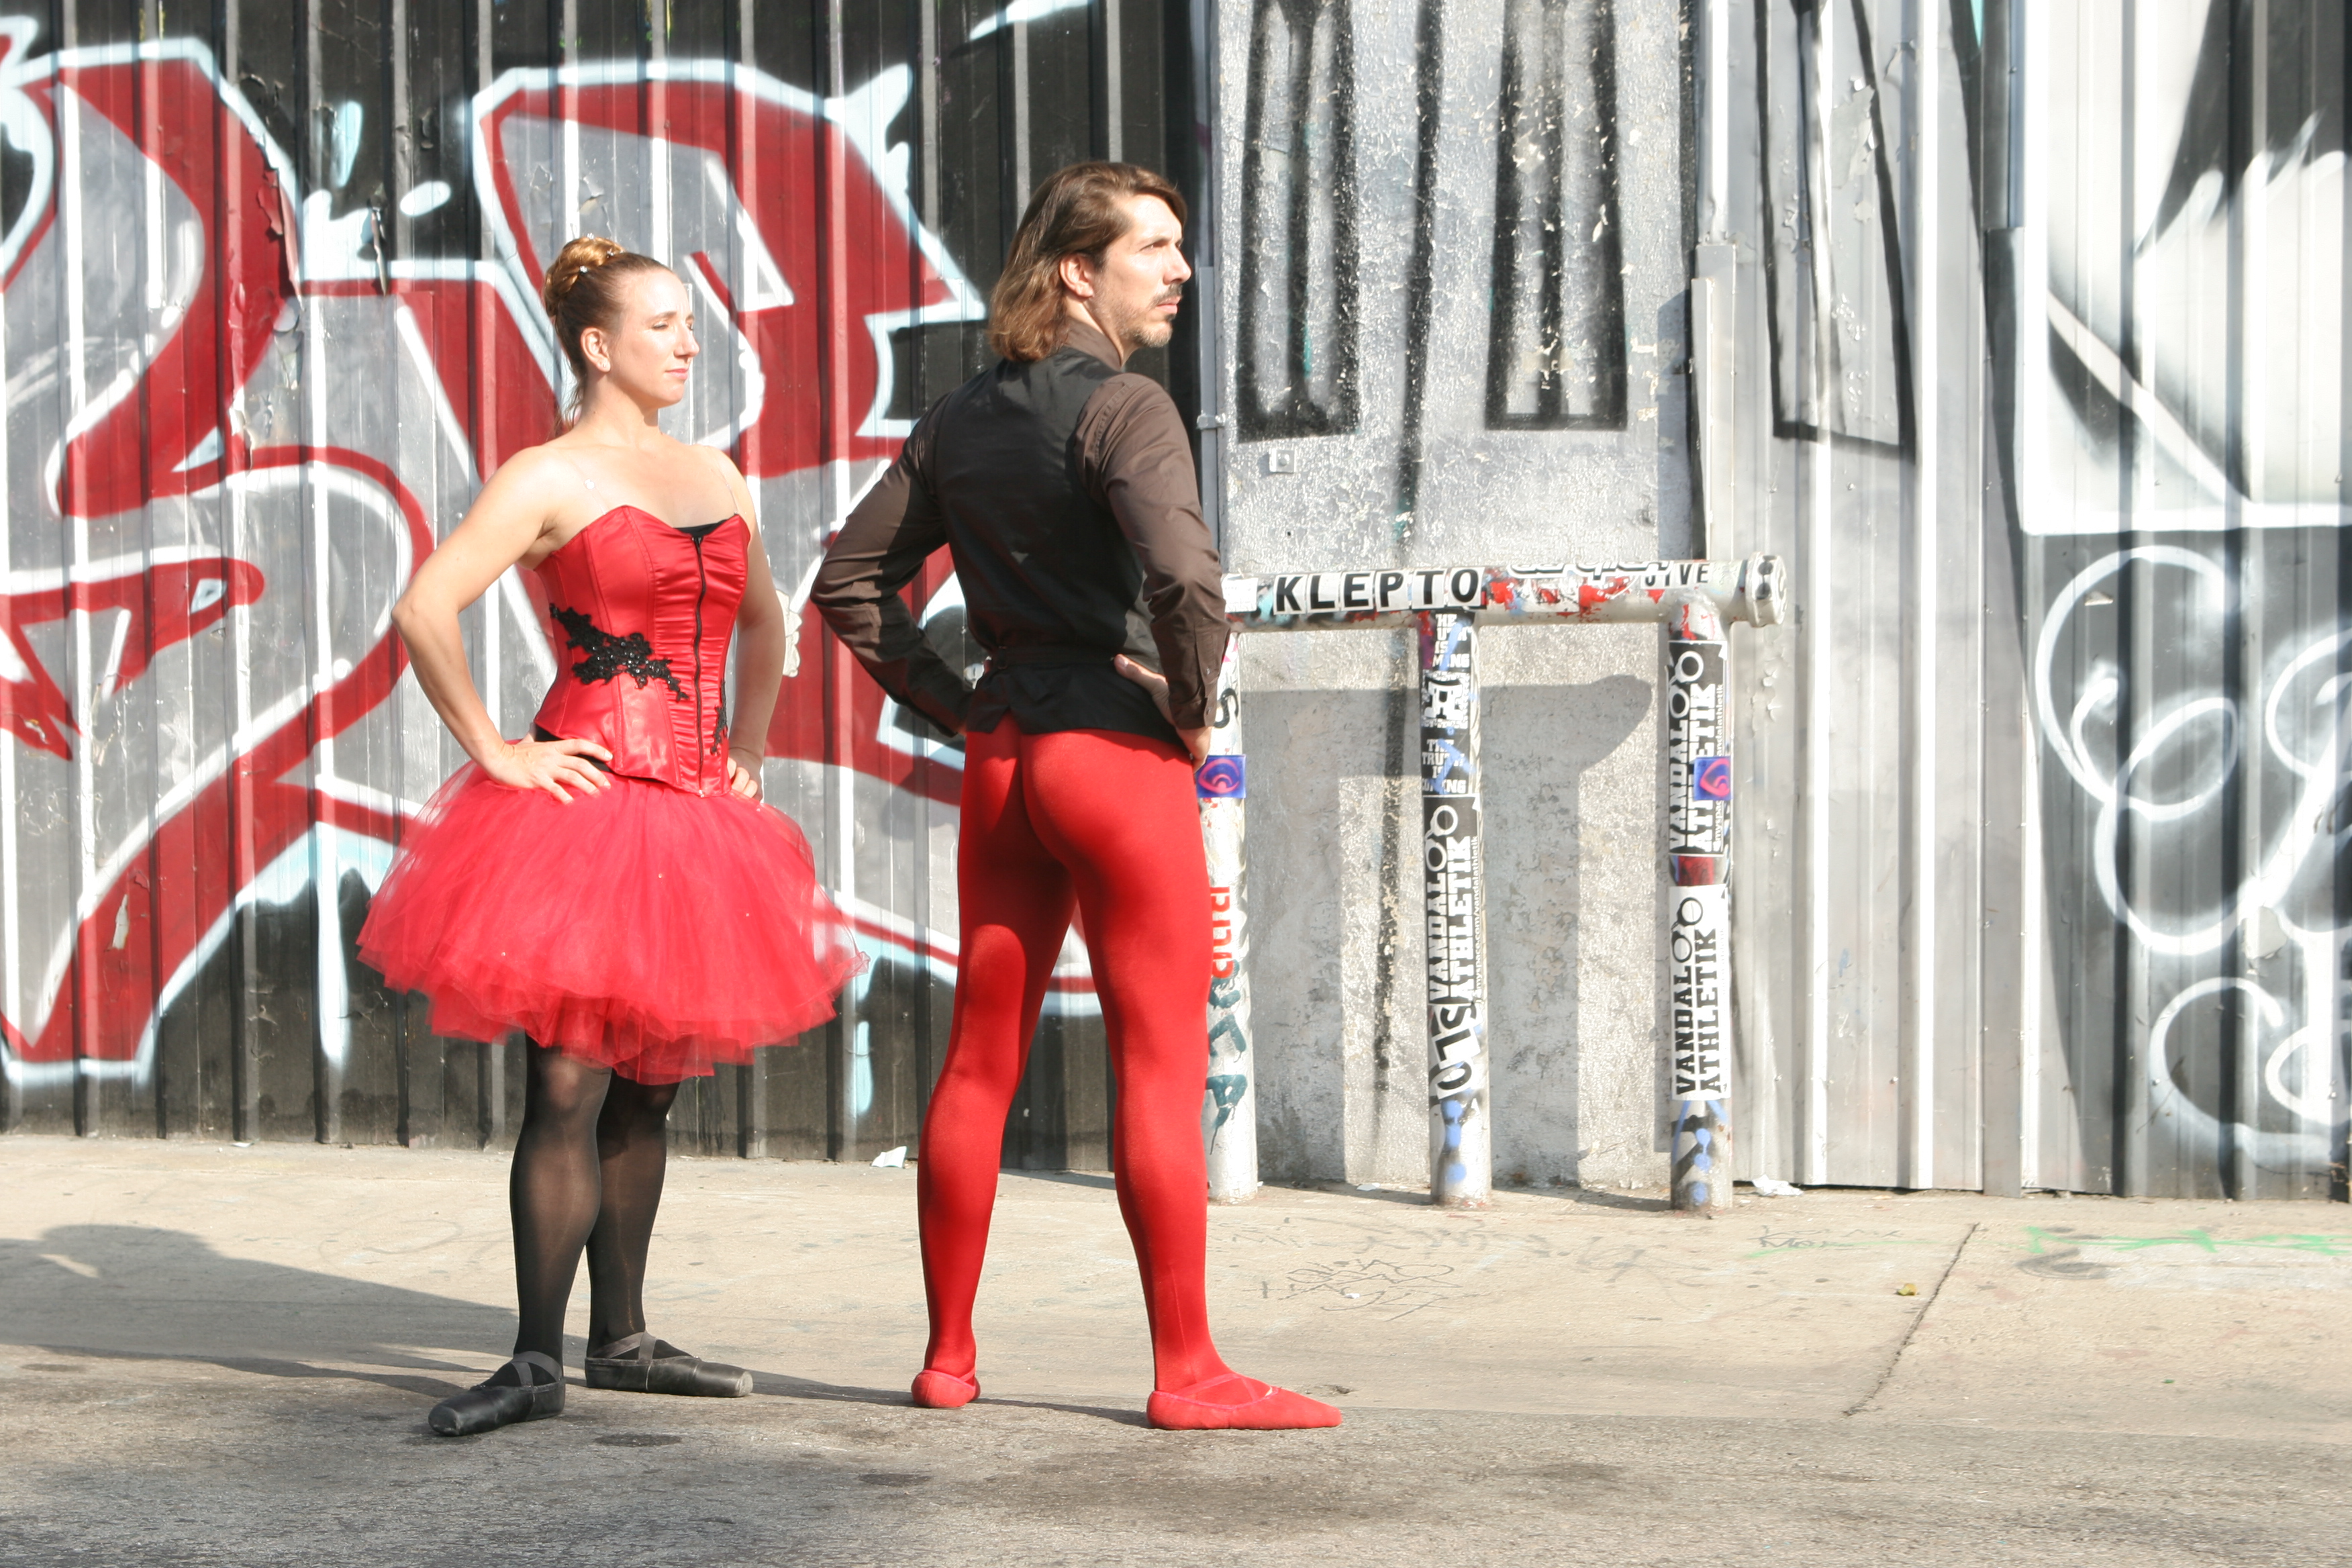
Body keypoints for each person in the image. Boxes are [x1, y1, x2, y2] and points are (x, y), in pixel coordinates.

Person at [813, 162, 1339, 1431]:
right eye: (1152, 247)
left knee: (979, 1057)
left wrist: (956, 704)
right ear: (1076, 272)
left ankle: (948, 1359)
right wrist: (1194, 706)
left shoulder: (957, 420)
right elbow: (1186, 582)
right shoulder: (1130, 408)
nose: (1179, 269)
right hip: (1110, 758)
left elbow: (848, 581)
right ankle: (1189, 1373)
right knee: (1157, 1065)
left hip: (1005, 759)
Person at [358, 236, 862, 1437]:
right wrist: (498, 751)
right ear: (598, 344)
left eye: (691, 323)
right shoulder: (545, 476)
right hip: (584, 813)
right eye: (663, 324)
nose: (690, 343)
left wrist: (749, 747)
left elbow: (768, 623)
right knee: (570, 1087)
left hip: (694, 819)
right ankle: (535, 1359)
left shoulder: (716, 472)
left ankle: (622, 1341)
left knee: (650, 1094)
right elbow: (425, 607)